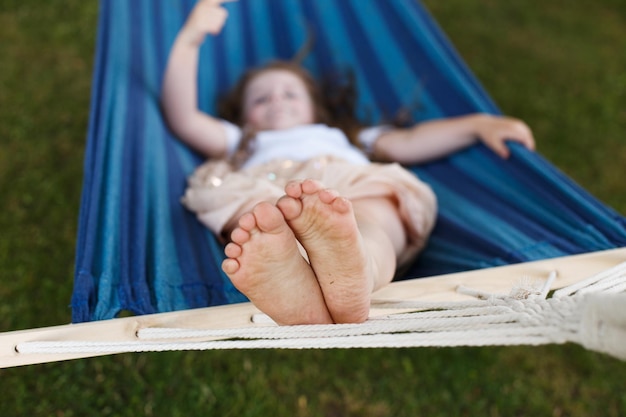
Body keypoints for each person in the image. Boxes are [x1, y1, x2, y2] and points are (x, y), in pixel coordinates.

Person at [161, 0, 535, 325]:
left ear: (315, 106)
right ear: (243, 116)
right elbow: (185, 118)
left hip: (349, 183)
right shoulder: (243, 140)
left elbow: (409, 142)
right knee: (257, 216)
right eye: (260, 99)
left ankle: (359, 269)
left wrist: (476, 124)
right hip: (270, 189)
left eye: (290, 93)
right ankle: (294, 276)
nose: (276, 101)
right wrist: (190, 39)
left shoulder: (347, 136)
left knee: (373, 222)